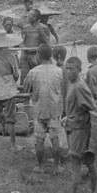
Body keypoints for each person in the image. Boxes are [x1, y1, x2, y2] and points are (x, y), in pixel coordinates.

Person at [60, 57, 97, 193]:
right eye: (67, 68)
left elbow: (92, 107)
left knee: (77, 164)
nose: (69, 72)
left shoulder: (79, 87)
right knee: (89, 162)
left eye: (72, 69)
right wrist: (68, 117)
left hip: (80, 130)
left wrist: (76, 118)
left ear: (79, 70)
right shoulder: (73, 84)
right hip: (76, 127)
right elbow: (75, 107)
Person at [23, 43, 64, 173]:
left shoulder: (33, 72)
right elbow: (62, 90)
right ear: (50, 55)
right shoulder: (59, 71)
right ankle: (57, 167)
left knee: (39, 139)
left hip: (39, 109)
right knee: (55, 138)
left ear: (38, 56)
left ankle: (40, 166)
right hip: (54, 109)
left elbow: (26, 88)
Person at [16, 8, 51, 85]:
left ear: (35, 18)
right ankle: (25, 95)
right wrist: (24, 48)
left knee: (39, 79)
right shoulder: (25, 28)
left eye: (29, 15)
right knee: (24, 79)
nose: (27, 17)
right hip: (26, 56)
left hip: (38, 56)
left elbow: (47, 44)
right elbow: (21, 41)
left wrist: (41, 34)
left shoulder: (44, 28)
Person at [52, 45, 68, 115]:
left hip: (58, 106)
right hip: (65, 106)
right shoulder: (67, 70)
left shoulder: (56, 70)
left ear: (58, 57)